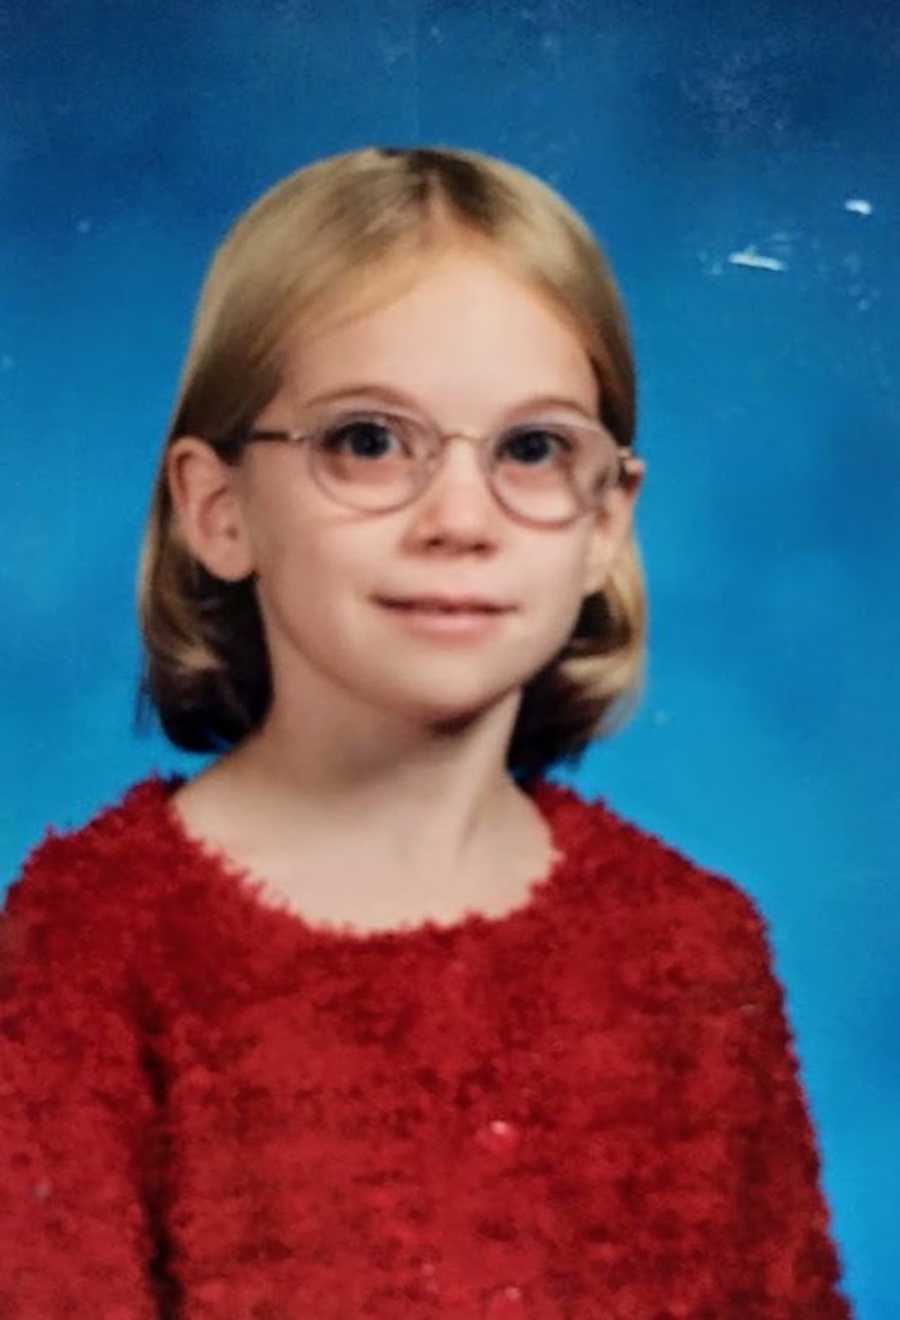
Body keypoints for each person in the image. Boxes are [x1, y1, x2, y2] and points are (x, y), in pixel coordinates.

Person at [0, 147, 851, 1318]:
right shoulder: (92, 939)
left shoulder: (697, 953)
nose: (460, 520)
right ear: (220, 509)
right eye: (367, 440)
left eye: (533, 449)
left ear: (605, 521)